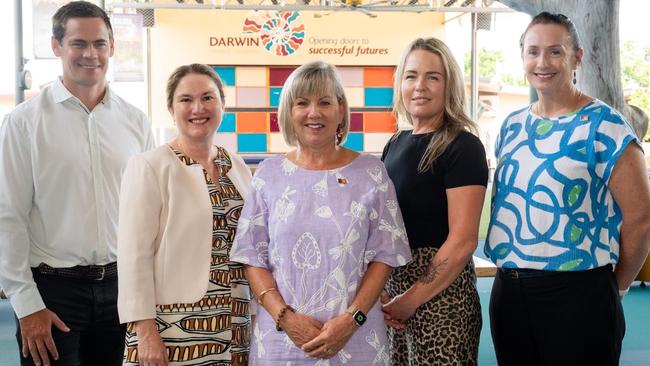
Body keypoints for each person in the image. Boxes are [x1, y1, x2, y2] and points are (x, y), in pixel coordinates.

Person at [485, 12, 650, 366]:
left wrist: (614, 288)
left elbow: (641, 220)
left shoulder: (608, 127)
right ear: (523, 58)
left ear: (577, 57)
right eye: (533, 52)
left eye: (555, 52)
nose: (542, 62)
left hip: (581, 294)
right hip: (510, 293)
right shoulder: (512, 126)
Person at [0, 2, 155, 365]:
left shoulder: (135, 122)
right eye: (78, 43)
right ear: (57, 46)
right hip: (53, 293)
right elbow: (8, 218)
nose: (90, 54)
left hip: (121, 291)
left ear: (113, 46)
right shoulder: (23, 124)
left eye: (100, 43)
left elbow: (148, 212)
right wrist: (26, 305)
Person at [229, 61, 412, 365]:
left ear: (340, 109)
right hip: (280, 341)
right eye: (302, 103)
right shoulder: (268, 174)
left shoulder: (372, 173)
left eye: (324, 102)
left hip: (357, 340)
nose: (314, 112)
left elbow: (385, 256)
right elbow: (252, 256)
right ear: (289, 111)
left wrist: (352, 319)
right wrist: (286, 318)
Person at [117, 64, 253, 366]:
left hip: (235, 317)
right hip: (173, 324)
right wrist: (145, 329)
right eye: (186, 99)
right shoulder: (150, 166)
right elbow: (133, 255)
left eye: (207, 98)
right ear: (170, 108)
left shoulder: (237, 166)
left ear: (222, 105)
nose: (197, 108)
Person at [380, 37, 488, 365]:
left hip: (444, 300)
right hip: (395, 299)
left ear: (449, 85)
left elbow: (462, 241)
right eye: (411, 76)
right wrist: (383, 291)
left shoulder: (462, 146)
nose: (420, 86)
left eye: (433, 77)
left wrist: (411, 298)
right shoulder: (395, 144)